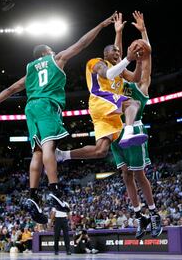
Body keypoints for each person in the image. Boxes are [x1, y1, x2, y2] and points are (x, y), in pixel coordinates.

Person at [0, 13, 116, 224]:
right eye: (50, 48)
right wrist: (101, 25)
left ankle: (32, 197)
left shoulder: (30, 70)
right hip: (47, 105)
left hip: (31, 108)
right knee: (50, 147)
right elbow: (81, 43)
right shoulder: (56, 58)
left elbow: (11, 88)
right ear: (45, 52)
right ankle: (54, 191)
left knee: (38, 152)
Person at [56, 13, 146, 163]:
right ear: (105, 54)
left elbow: (136, 78)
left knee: (101, 151)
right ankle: (129, 132)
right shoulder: (96, 62)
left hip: (107, 111)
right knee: (133, 103)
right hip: (101, 100)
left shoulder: (120, 70)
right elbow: (108, 74)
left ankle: (62, 155)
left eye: (119, 52)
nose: (117, 53)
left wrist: (138, 62)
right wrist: (128, 57)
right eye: (114, 51)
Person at [106, 11, 161, 239]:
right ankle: (140, 216)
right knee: (125, 176)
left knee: (139, 175)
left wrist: (143, 32)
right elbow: (118, 59)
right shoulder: (117, 81)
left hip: (134, 129)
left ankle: (154, 213)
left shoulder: (142, 84)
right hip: (115, 131)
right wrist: (118, 33)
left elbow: (146, 57)